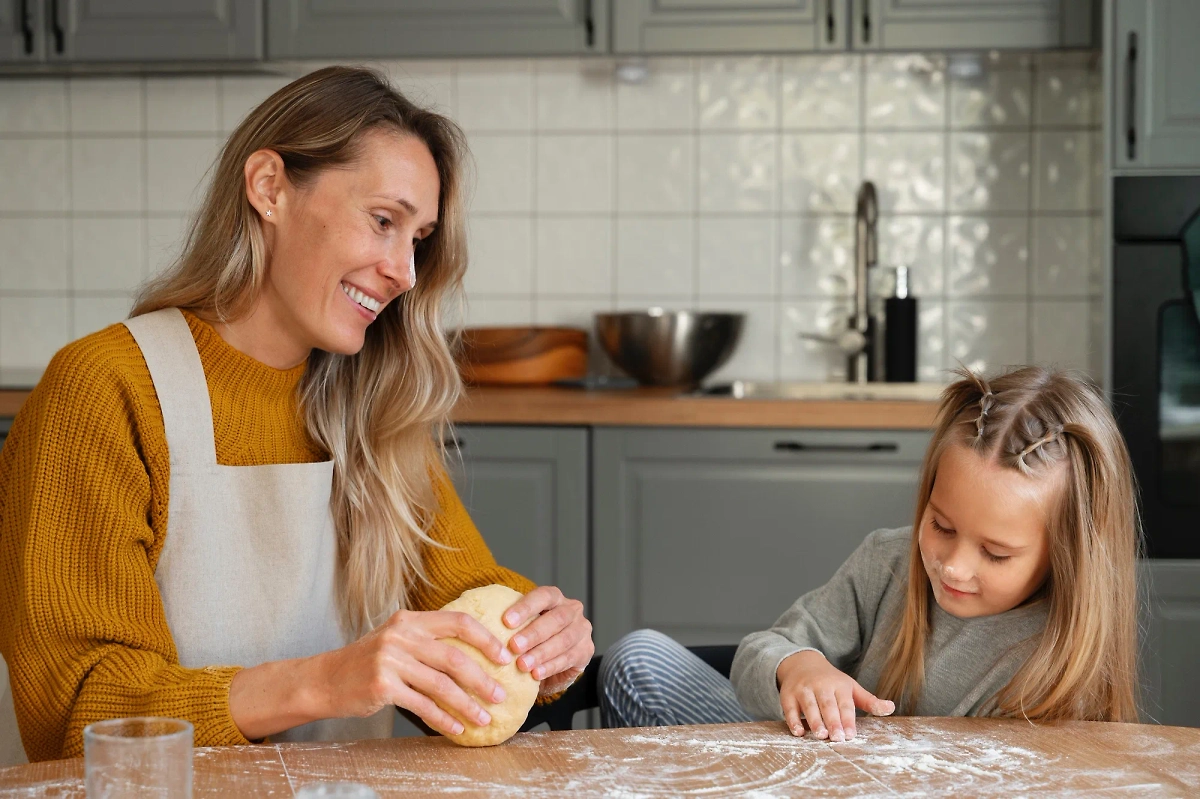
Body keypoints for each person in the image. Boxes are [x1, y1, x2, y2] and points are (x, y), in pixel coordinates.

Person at [0, 66, 593, 765]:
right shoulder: (105, 390)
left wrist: (537, 635)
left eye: (418, 239)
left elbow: (462, 593)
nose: (405, 271)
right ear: (269, 187)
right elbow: (75, 711)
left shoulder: (372, 410)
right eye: (383, 221)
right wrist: (327, 679)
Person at [599, 366, 1141, 740]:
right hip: (797, 770)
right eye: (941, 525)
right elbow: (761, 652)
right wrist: (800, 666)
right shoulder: (888, 561)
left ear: (1068, 556)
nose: (953, 565)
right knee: (637, 658)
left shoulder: (1058, 659)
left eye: (996, 554)